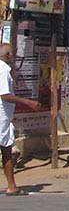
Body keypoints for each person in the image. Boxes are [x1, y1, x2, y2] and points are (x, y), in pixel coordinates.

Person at [0, 43, 40, 196]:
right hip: (2, 115)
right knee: (6, 148)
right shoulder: (3, 71)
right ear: (8, 55)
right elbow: (5, 95)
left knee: (7, 149)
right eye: (14, 54)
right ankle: (11, 185)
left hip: (5, 116)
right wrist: (28, 102)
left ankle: (12, 185)